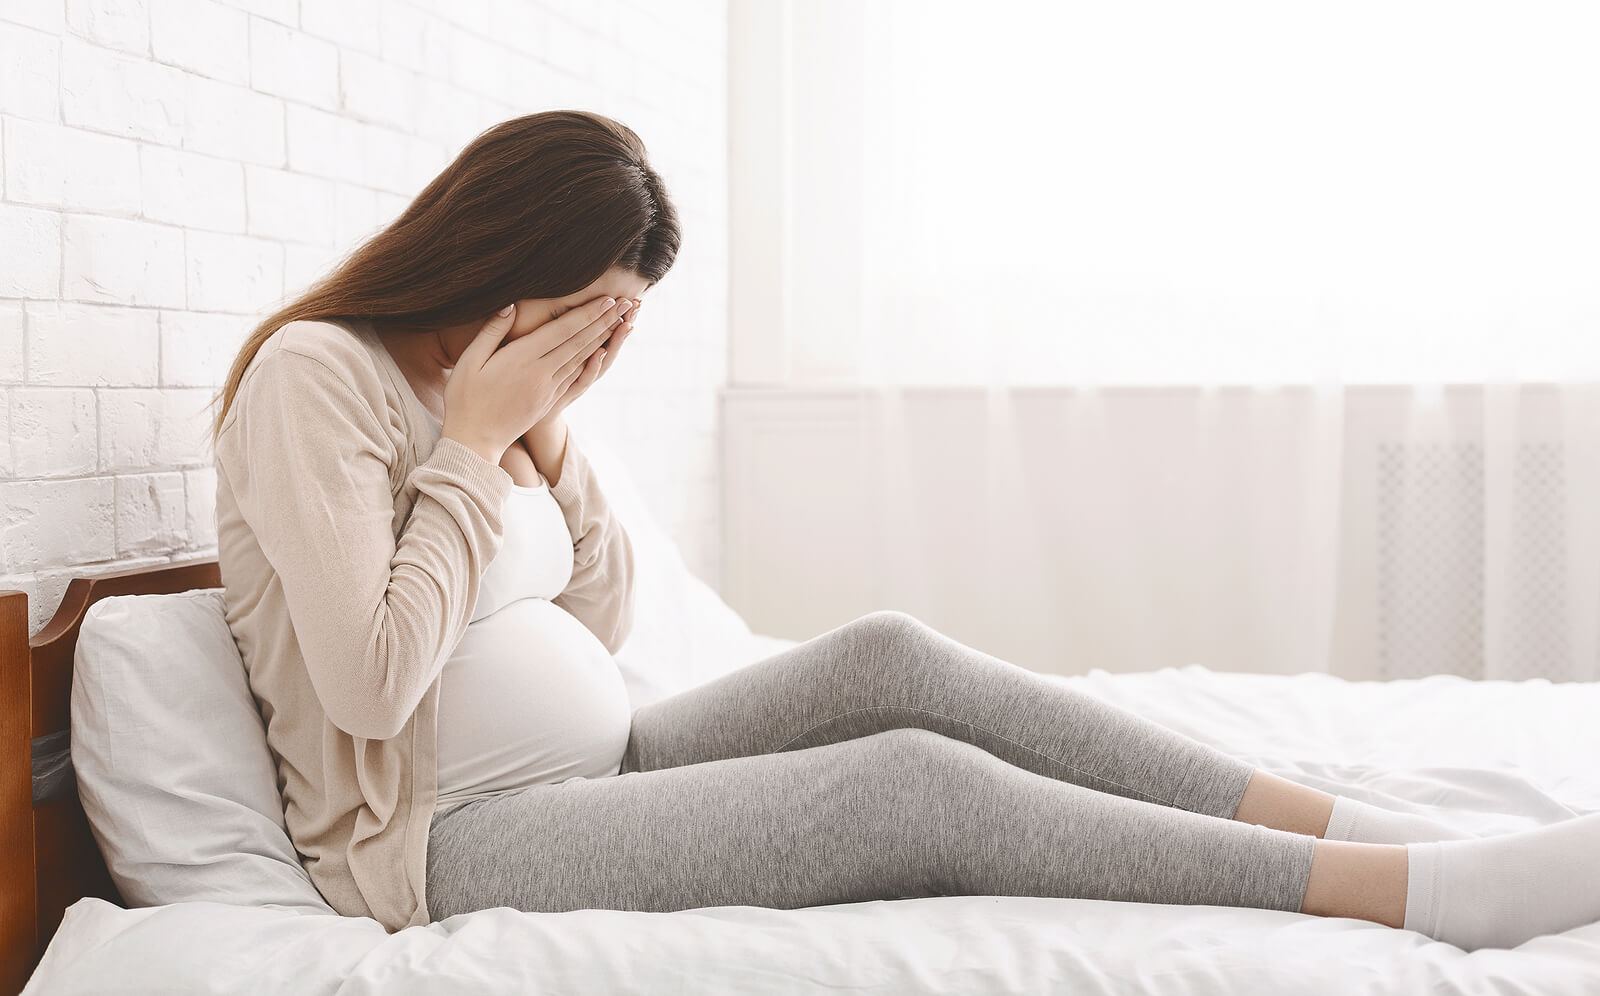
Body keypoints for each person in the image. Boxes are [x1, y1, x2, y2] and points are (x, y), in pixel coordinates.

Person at [210, 110, 1600, 953]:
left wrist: (548, 437)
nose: (594, 349)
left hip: (600, 759)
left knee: (891, 657)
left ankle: (1365, 819)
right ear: (499, 265)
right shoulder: (317, 381)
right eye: (587, 318)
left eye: (617, 330)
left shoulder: (494, 397)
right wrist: (468, 447)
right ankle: (1406, 893)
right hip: (440, 845)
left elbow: (602, 622)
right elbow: (371, 684)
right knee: (907, 787)